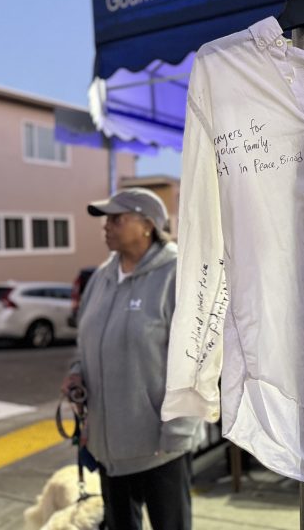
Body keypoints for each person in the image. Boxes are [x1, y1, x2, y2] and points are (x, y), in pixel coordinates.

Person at [61, 188, 198, 530]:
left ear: (147, 225)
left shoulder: (177, 275)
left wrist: (177, 434)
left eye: (116, 218)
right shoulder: (102, 277)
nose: (106, 226)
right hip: (109, 449)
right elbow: (87, 341)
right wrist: (77, 373)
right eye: (106, 219)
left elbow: (196, 358)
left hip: (160, 448)